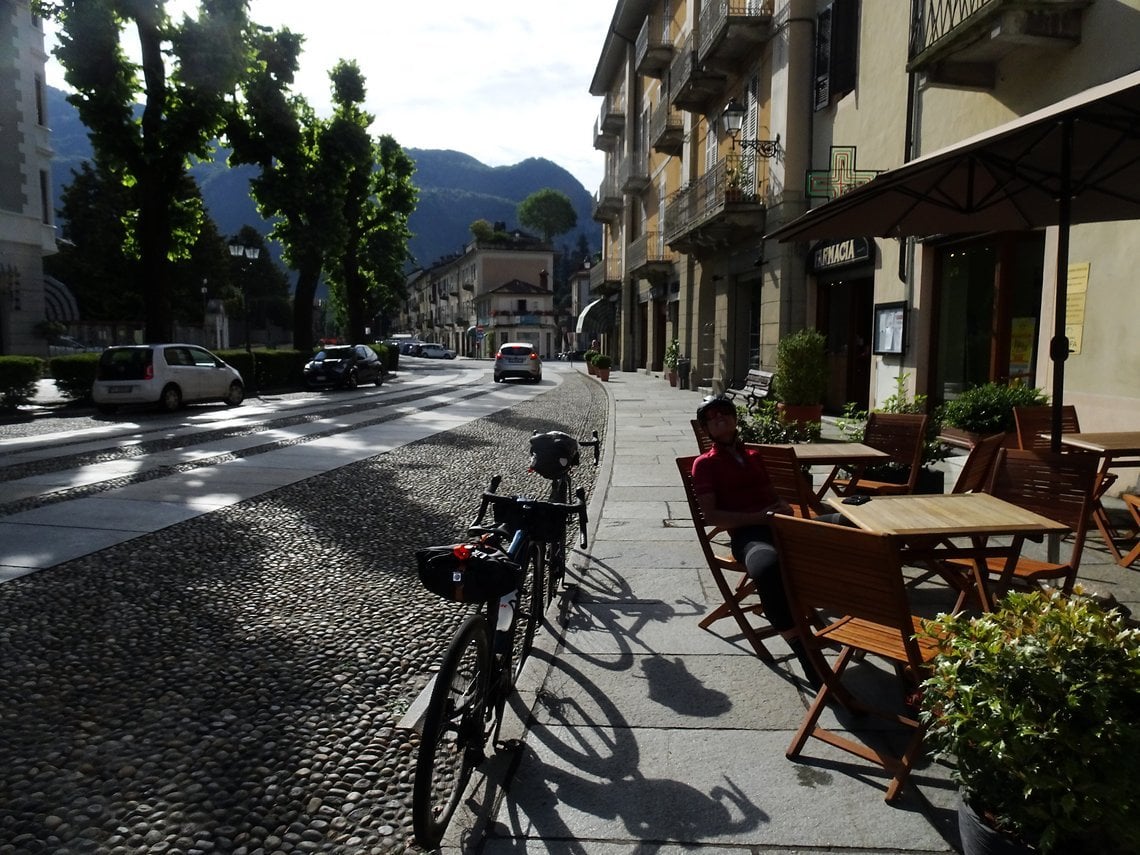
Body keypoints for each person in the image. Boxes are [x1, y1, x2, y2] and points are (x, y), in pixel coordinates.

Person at [690, 395, 835, 687]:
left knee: (849, 527)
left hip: (780, 525)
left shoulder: (754, 456)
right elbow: (713, 516)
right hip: (749, 535)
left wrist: (782, 505)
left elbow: (771, 495)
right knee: (767, 569)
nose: (720, 418)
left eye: (726, 412)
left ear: (734, 418)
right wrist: (759, 516)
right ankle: (799, 645)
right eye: (712, 416)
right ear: (706, 428)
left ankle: (862, 613)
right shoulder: (704, 465)